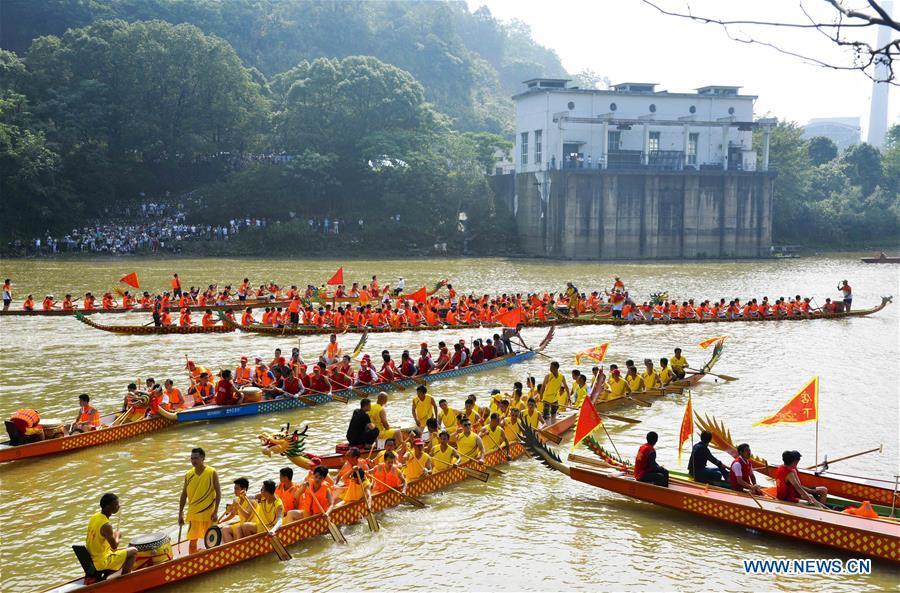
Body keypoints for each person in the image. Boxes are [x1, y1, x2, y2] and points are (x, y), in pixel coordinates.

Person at [178, 447, 221, 554]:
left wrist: (216, 511)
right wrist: (180, 513)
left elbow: (218, 492)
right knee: (192, 542)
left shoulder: (212, 472)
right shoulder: (188, 474)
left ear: (202, 458)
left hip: (209, 513)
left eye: (196, 458)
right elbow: (184, 494)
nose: (193, 461)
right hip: (194, 514)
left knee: (212, 540)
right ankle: (191, 563)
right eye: (192, 458)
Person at [86, 493, 137, 576]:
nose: (118, 506)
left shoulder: (94, 517)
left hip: (93, 559)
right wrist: (117, 535)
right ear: (107, 507)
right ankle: (125, 578)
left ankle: (112, 573)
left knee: (126, 548)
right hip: (101, 562)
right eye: (116, 504)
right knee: (134, 551)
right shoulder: (106, 525)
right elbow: (114, 546)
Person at [219, 478, 253, 544]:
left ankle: (237, 550)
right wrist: (220, 522)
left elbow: (247, 516)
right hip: (241, 523)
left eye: (237, 489)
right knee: (224, 529)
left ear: (244, 489)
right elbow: (232, 514)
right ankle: (230, 550)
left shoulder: (250, 500)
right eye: (234, 488)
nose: (234, 491)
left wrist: (238, 506)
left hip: (249, 525)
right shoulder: (237, 500)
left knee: (238, 528)